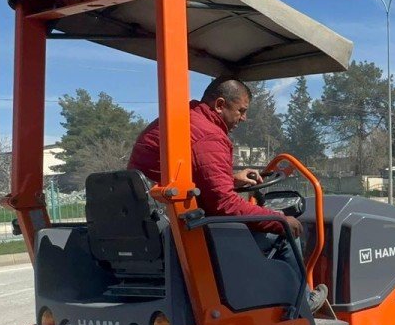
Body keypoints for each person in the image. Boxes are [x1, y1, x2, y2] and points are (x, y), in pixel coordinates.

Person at [128, 77, 302, 238]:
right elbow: (224, 205)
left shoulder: (182, 119)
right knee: (283, 239)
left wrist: (231, 181)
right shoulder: (208, 135)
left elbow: (184, 179)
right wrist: (280, 220)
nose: (244, 118)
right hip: (182, 234)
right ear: (220, 105)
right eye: (241, 111)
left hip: (150, 228)